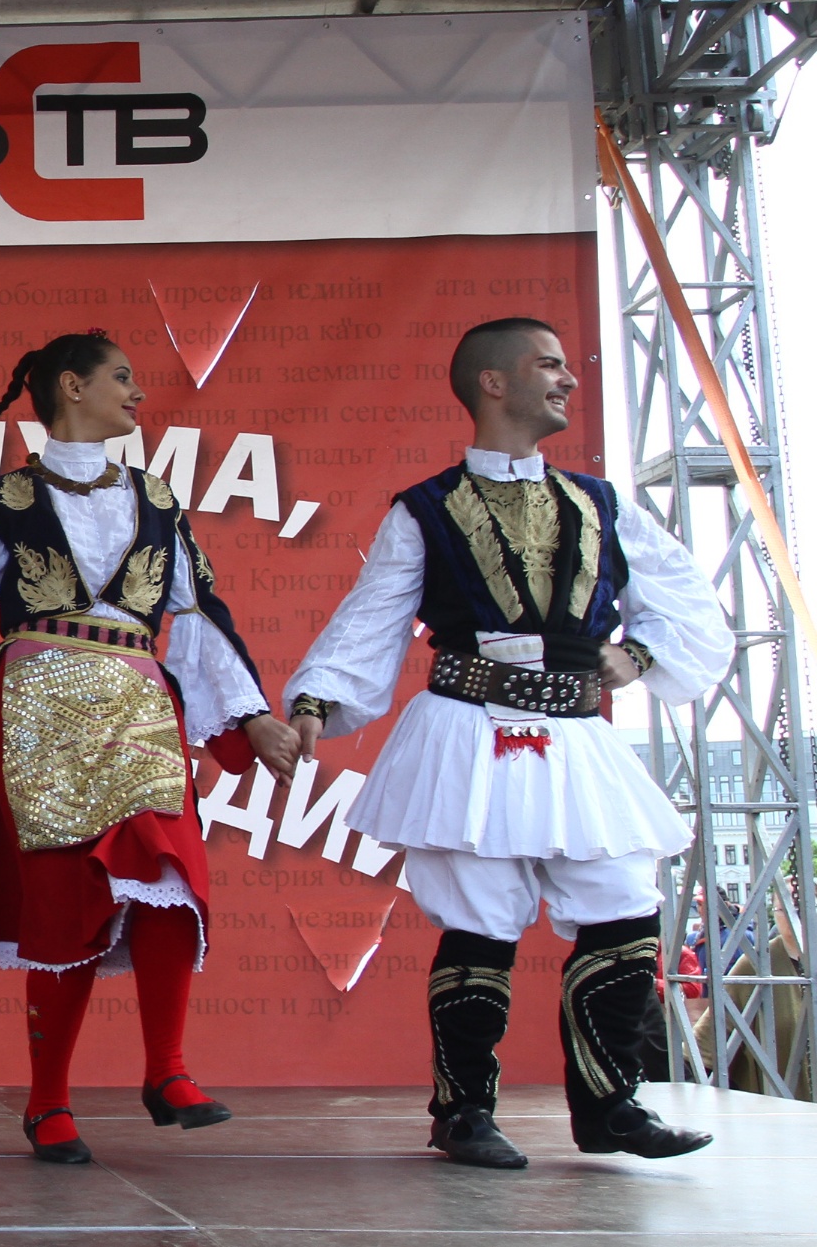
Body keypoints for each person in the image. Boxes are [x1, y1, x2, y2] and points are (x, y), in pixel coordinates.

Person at [285, 317, 730, 1168]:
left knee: (622, 901)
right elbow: (373, 616)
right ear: (494, 382)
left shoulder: (601, 504)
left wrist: (639, 656)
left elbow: (684, 601)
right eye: (548, 365)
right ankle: (463, 1112)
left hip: (575, 734)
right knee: (480, 919)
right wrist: (317, 700)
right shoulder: (424, 509)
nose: (567, 379)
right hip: (467, 732)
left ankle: (610, 1105)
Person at [0, 333, 298, 1164]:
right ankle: (48, 1101)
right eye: (121, 377)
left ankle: (167, 1070)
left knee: (168, 872)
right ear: (72, 386)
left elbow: (199, 611)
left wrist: (254, 716)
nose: (138, 393)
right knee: (65, 895)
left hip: (137, 696)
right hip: (39, 700)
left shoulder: (158, 497)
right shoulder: (7, 499)